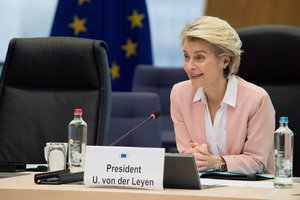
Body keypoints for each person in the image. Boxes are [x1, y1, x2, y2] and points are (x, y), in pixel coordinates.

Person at [170, 16, 275, 174]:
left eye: (199, 57)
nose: (189, 66)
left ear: (225, 61)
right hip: (202, 188)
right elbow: (186, 154)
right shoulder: (179, 94)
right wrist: (195, 157)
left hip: (251, 190)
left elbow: (257, 160)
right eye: (186, 56)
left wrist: (216, 162)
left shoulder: (257, 99)